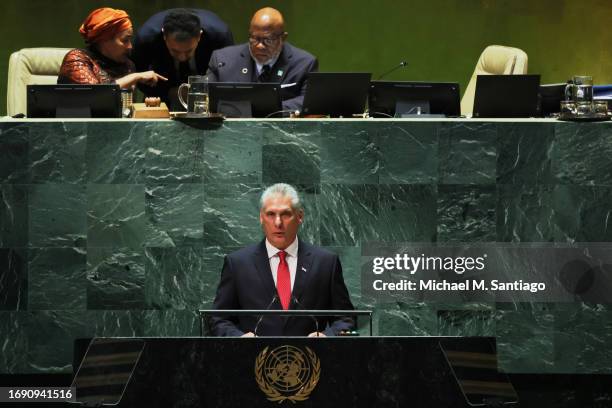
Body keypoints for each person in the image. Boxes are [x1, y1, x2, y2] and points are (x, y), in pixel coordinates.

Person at [211, 183, 354, 337]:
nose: (278, 223)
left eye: (285, 214)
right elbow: (218, 319)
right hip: (254, 358)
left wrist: (328, 336)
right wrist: (239, 338)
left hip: (311, 358)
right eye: (271, 214)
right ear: (261, 217)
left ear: (300, 216)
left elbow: (345, 318)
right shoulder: (237, 264)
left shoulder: (326, 263)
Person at [206, 7, 318, 113]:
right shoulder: (222, 59)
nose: (259, 46)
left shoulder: (304, 63)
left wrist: (267, 109)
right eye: (254, 38)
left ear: (283, 38)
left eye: (267, 40)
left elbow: (308, 102)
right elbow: (206, 97)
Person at [132, 8, 234, 109]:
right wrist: (168, 93)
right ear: (164, 36)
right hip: (162, 92)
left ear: (199, 36)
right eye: (175, 51)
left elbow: (227, 76)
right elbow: (140, 76)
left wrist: (206, 92)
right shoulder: (146, 38)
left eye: (189, 51)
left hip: (207, 98)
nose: (182, 57)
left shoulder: (220, 36)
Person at [58, 7, 167, 89]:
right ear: (104, 40)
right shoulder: (76, 59)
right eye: (125, 40)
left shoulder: (127, 65)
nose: (130, 46)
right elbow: (93, 95)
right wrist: (134, 77)